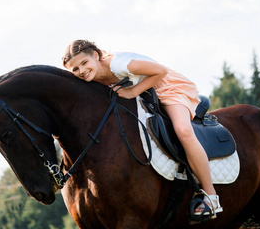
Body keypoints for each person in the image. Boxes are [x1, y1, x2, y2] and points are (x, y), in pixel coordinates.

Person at [62, 40, 223, 218]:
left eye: (84, 63)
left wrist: (132, 92)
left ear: (95, 56)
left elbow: (160, 71)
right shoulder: (89, 79)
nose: (82, 71)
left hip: (166, 87)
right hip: (144, 95)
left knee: (182, 130)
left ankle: (211, 197)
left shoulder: (119, 64)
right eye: (75, 69)